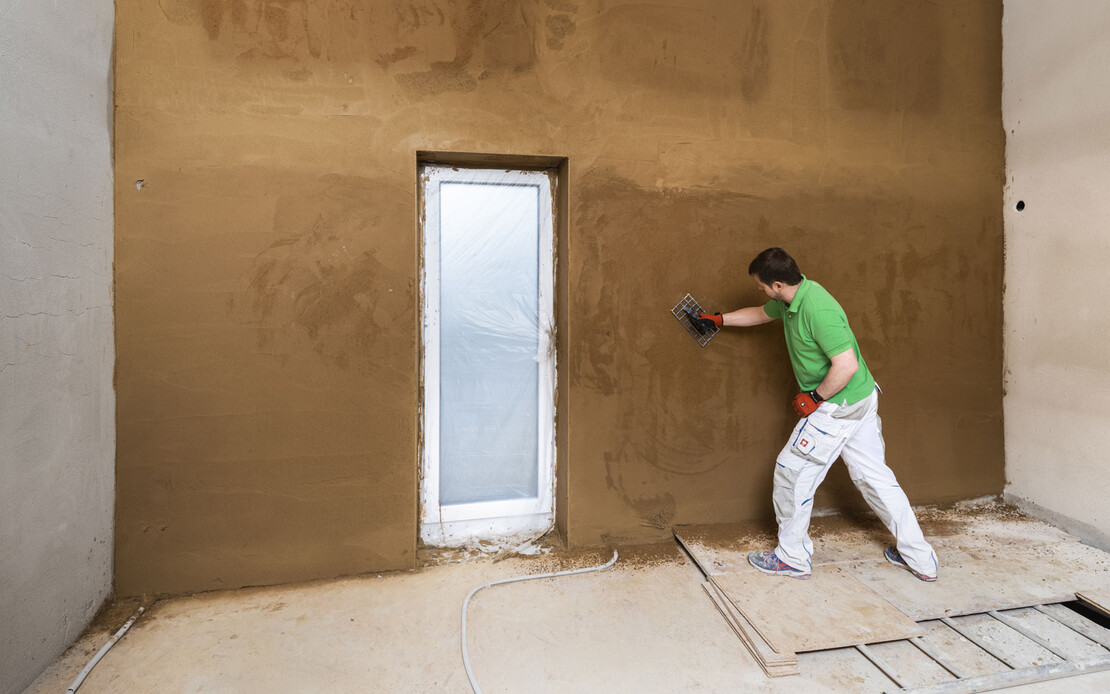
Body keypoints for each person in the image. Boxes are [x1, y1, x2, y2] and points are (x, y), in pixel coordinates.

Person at [691, 247, 938, 582]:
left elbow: (846, 365)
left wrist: (814, 397)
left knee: (791, 473)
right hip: (860, 401)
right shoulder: (793, 297)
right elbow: (762, 314)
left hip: (837, 406)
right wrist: (720, 319)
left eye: (762, 286)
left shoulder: (818, 308)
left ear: (778, 284)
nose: (760, 290)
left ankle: (792, 557)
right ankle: (920, 559)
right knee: (875, 479)